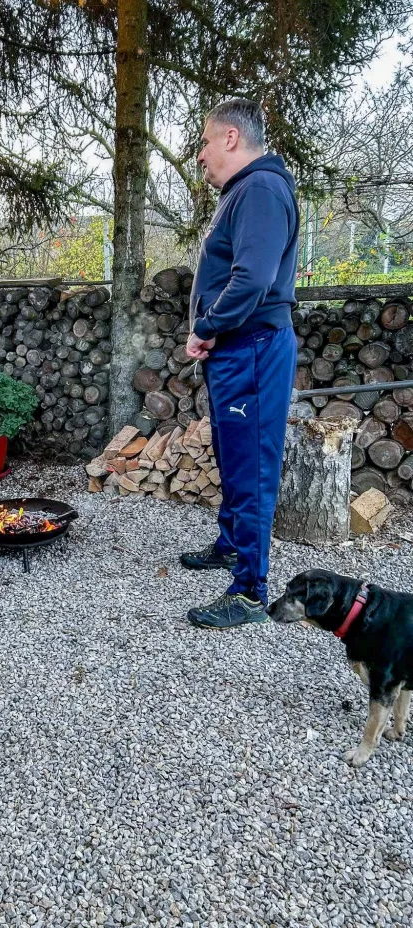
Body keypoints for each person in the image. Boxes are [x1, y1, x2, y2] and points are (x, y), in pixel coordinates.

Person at [182, 99, 299, 629]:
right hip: (238, 349)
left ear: (231, 138)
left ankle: (251, 590)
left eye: (205, 143)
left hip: (252, 347)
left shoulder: (260, 190)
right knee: (234, 455)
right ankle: (231, 545)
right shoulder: (247, 192)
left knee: (251, 465)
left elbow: (252, 280)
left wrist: (206, 327)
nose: (201, 155)